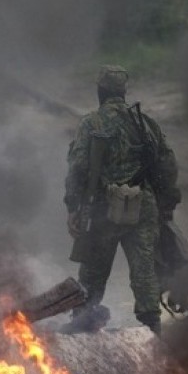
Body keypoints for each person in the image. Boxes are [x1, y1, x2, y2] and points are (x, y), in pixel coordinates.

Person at [63, 65, 180, 335]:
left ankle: (83, 317)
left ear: (100, 91)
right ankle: (152, 324)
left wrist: (73, 207)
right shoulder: (145, 123)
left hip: (105, 206)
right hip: (143, 204)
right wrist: (167, 203)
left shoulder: (91, 123)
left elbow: (78, 168)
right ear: (123, 92)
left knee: (93, 266)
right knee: (144, 266)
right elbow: (168, 164)